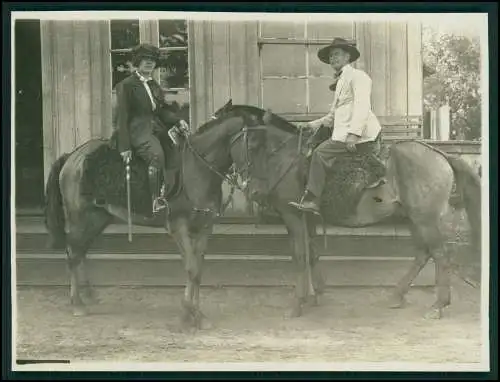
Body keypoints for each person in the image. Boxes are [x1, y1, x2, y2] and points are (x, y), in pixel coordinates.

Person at [289, 37, 382, 214]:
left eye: (337, 54)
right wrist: (309, 125)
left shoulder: (358, 76)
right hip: (344, 133)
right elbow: (332, 116)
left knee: (319, 154)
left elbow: (363, 105)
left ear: (348, 57)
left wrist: (354, 134)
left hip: (362, 135)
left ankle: (313, 201)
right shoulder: (341, 81)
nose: (333, 58)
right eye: (331, 56)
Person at [114, 43, 189, 216]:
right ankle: (156, 200)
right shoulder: (126, 85)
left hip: (157, 128)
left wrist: (178, 121)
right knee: (157, 155)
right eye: (145, 60)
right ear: (137, 62)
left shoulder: (153, 84)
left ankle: (177, 196)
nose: (149, 63)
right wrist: (124, 147)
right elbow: (122, 117)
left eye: (152, 60)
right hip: (137, 131)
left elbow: (161, 110)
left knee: (180, 150)